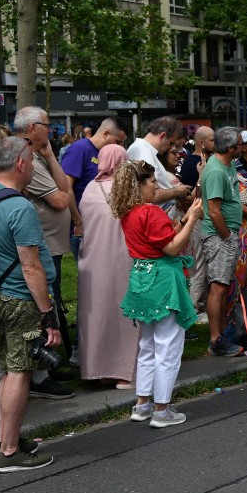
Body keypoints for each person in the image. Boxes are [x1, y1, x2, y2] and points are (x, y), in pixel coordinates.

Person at [0, 136, 61, 472]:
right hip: (20, 299)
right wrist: (48, 314)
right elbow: (31, 266)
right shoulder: (19, 207)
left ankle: (6, 440)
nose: (33, 167)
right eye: (30, 161)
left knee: (8, 369)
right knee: (18, 373)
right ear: (20, 163)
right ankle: (10, 453)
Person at [109, 160, 202, 428]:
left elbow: (162, 238)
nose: (156, 186)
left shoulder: (128, 212)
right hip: (162, 280)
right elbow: (172, 247)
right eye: (152, 182)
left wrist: (184, 219)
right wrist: (193, 219)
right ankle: (162, 410)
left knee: (147, 346)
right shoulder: (151, 212)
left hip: (142, 279)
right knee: (168, 346)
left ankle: (143, 404)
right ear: (140, 185)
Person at [17, 107, 75, 399]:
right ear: (31, 128)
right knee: (43, 305)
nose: (51, 129)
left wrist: (51, 155)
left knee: (51, 303)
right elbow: (60, 199)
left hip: (51, 243)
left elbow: (64, 187)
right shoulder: (26, 158)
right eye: (46, 124)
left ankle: (46, 367)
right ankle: (40, 375)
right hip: (41, 244)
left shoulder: (40, 156)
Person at [76, 145, 139, 387]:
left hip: (92, 260)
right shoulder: (127, 188)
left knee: (96, 315)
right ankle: (124, 372)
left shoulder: (90, 188)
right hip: (123, 257)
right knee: (125, 315)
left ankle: (96, 370)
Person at [201, 126, 246, 357]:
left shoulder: (227, 165)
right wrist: (227, 237)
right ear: (230, 148)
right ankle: (215, 340)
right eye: (240, 143)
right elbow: (214, 210)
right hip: (219, 236)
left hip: (225, 234)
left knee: (222, 285)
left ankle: (220, 335)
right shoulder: (217, 171)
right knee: (218, 286)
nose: (243, 146)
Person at [61, 117, 128, 261]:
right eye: (117, 142)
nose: (120, 147)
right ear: (106, 134)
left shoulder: (104, 152)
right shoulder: (80, 149)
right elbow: (66, 187)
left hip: (99, 226)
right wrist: (77, 221)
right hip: (83, 228)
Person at [180, 126, 214, 320]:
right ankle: (196, 308)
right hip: (196, 220)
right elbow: (191, 198)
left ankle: (200, 305)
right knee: (199, 264)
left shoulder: (202, 162)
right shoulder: (194, 164)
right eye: (212, 140)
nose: (216, 143)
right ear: (202, 143)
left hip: (201, 220)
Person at [126, 116, 192, 211]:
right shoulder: (144, 153)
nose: (170, 147)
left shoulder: (143, 150)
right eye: (170, 143)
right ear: (162, 136)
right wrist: (176, 191)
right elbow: (150, 194)